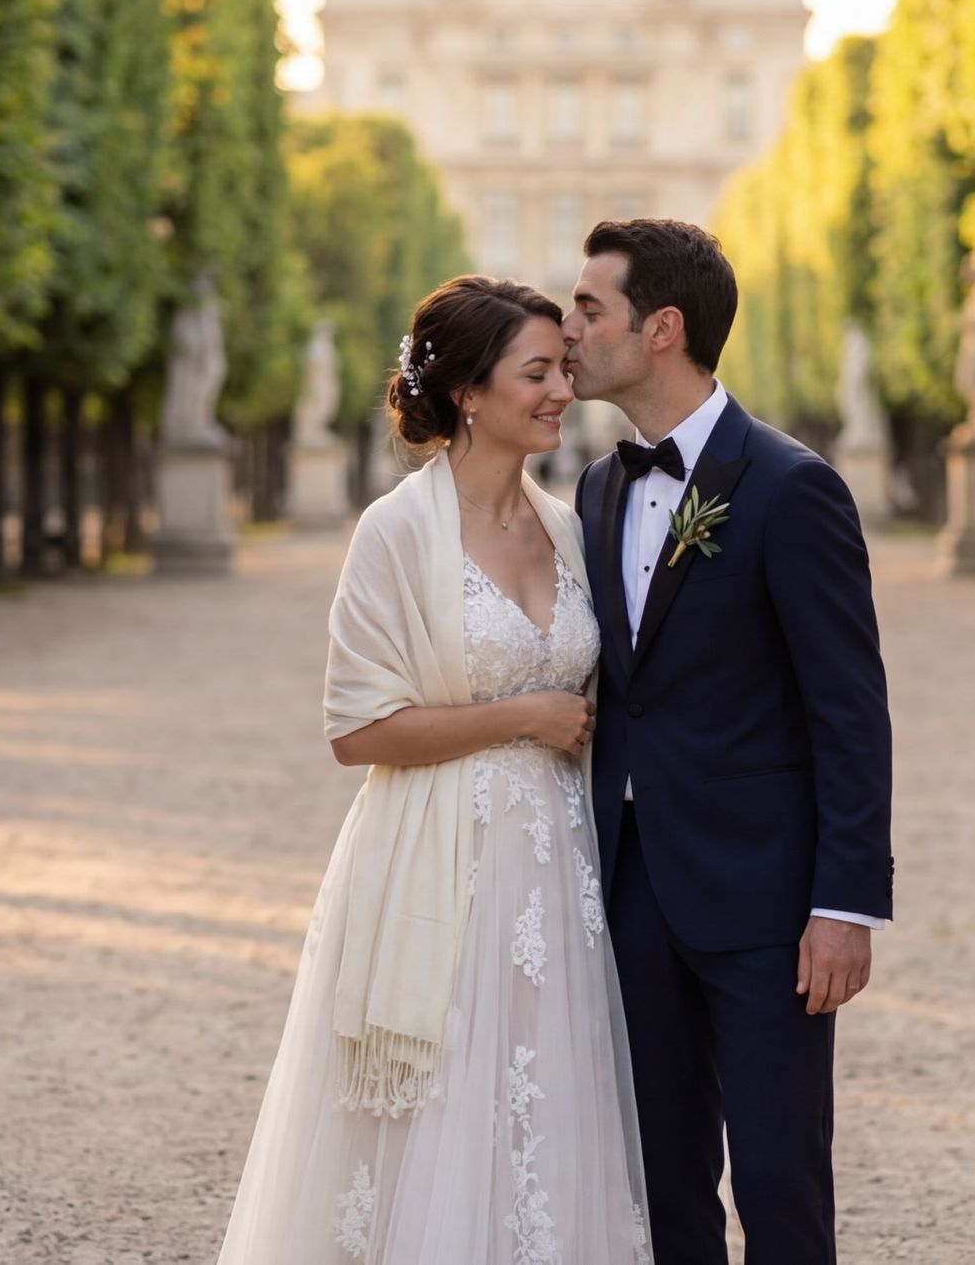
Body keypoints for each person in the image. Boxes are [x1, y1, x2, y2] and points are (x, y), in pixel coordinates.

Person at [217, 276, 654, 1264]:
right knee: (441, 1108)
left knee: (544, 1102)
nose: (559, 391)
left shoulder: (569, 525)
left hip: (556, 873)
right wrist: (524, 715)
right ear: (466, 391)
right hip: (440, 862)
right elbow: (355, 729)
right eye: (535, 373)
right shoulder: (397, 531)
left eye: (562, 370)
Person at [563, 218, 895, 1265]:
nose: (567, 327)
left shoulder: (794, 489)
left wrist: (845, 905)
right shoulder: (598, 487)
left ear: (660, 329)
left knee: (779, 1176)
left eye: (588, 309)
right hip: (631, 887)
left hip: (766, 902)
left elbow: (850, 712)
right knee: (662, 1183)